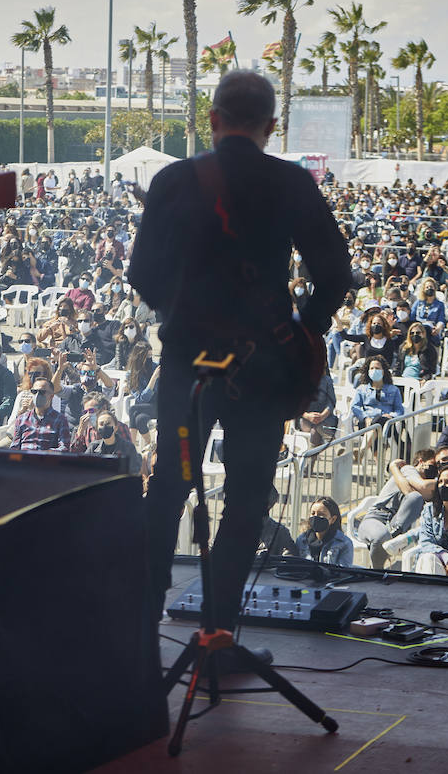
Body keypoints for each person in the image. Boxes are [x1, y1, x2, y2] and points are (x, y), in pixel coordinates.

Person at [130, 71, 351, 634]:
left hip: (187, 369)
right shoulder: (291, 184)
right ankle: (219, 627)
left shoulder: (174, 180)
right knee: (247, 496)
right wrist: (304, 325)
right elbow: (335, 271)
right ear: (271, 127)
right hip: (261, 370)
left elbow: (142, 275)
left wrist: (183, 318)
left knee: (170, 489)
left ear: (212, 119)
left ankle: (138, 626)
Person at [293, 495, 354, 566]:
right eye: (313, 513)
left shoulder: (344, 543)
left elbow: (344, 572)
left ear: (333, 519)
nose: (316, 517)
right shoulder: (302, 540)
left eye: (321, 515)